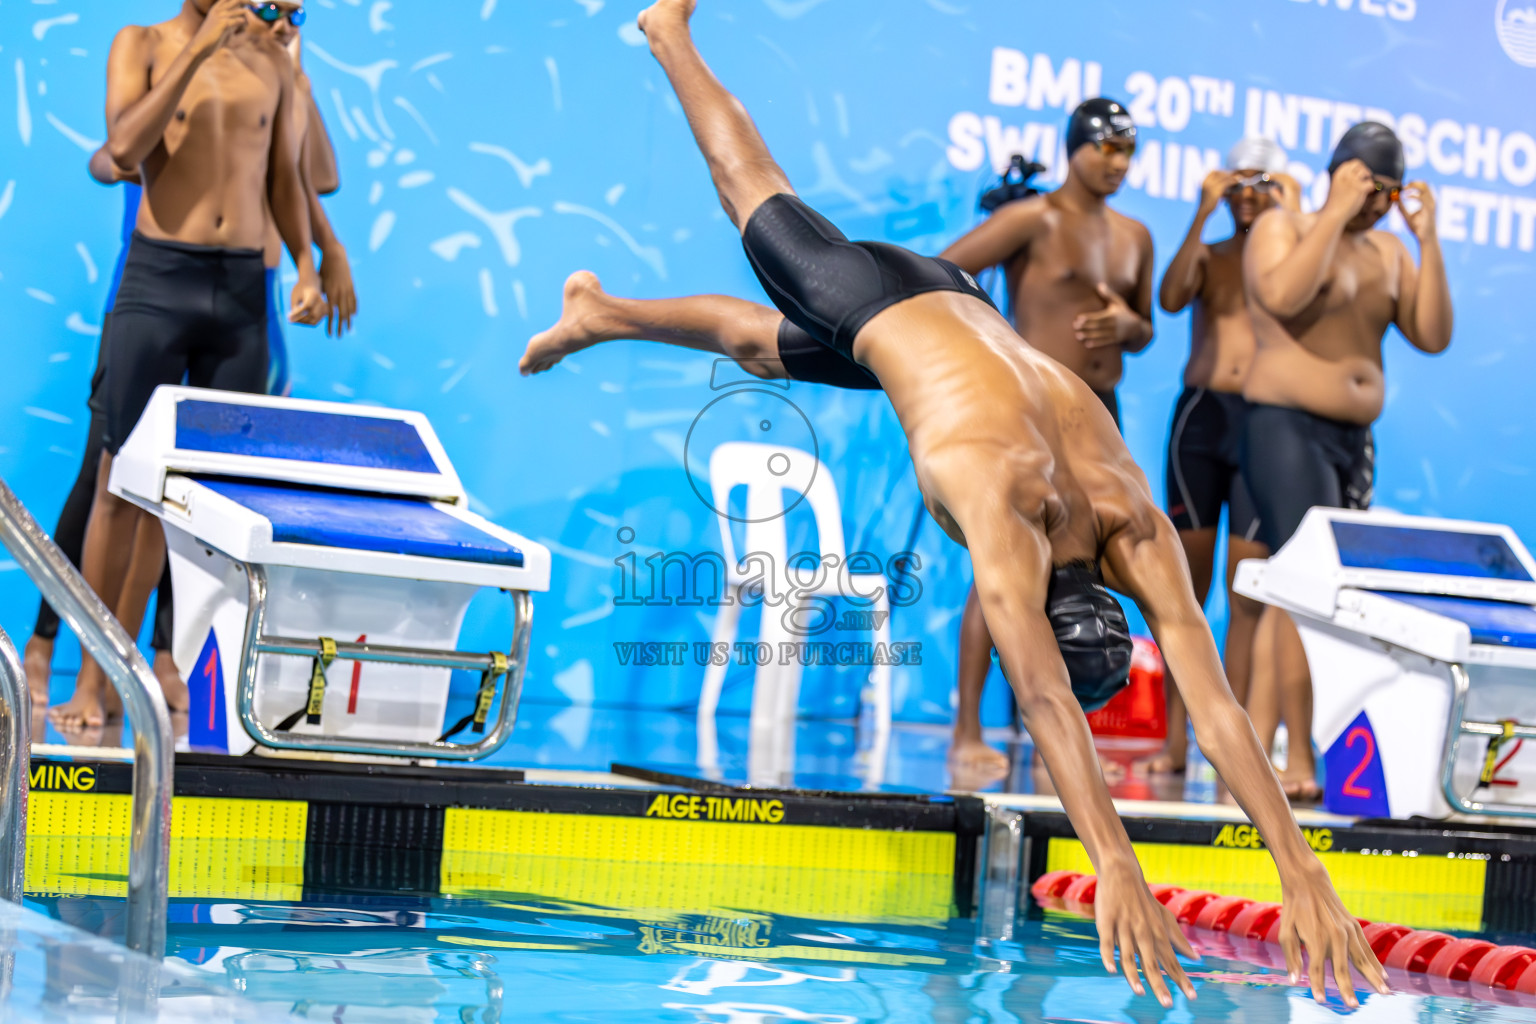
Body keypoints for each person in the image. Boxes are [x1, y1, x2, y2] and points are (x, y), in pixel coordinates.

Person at [524, 0, 1389, 1006]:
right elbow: (1054, 702)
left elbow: (1215, 707)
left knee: (767, 346)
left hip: (957, 310)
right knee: (752, 193)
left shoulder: (1127, 517)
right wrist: (1113, 859)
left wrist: (1304, 868)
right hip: (878, 298)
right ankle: (669, 32)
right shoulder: (1008, 500)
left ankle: (600, 313)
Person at [27, 4, 353, 721]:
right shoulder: (141, 43)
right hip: (158, 279)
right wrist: (202, 48)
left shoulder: (271, 61)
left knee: (179, 502)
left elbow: (288, 182)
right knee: (114, 485)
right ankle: (88, 678)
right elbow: (122, 146)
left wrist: (306, 262)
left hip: (240, 292)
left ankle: (143, 663)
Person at [933, 98, 1157, 776]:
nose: (1115, 163)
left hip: (1098, 417)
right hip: (1028, 415)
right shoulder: (1032, 218)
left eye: (1127, 151)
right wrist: (993, 347)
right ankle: (967, 731)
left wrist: (1127, 329)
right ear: (1073, 148)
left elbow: (1145, 327)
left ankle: (1067, 734)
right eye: (1105, 149)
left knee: (1085, 577)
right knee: (1002, 567)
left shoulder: (1136, 236)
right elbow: (940, 273)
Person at [1241, 122, 1452, 799]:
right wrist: (1333, 210)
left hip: (1351, 444)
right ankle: (1292, 752)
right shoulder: (1285, 227)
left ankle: (1282, 746)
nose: (1376, 203)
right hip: (1285, 428)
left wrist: (1427, 240)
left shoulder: (1390, 250)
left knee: (1312, 596)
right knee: (1300, 589)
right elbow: (1281, 296)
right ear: (1338, 173)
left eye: (1387, 191)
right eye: (1366, 185)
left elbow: (1433, 335)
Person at [1138, 138, 1296, 775]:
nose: (1250, 196)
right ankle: (1176, 742)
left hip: (1263, 423)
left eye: (1263, 183)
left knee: (1249, 594)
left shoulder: (1289, 262)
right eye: (1240, 184)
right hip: (1202, 422)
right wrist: (1201, 215)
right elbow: (1172, 298)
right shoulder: (1212, 251)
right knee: (1186, 591)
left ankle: (1240, 750)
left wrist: (1296, 214)